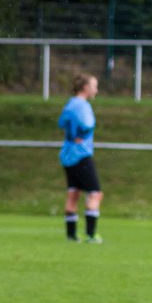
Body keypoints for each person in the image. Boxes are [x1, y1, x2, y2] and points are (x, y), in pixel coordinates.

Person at [59, 73, 103, 243]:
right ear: (85, 87)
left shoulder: (70, 103)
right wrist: (80, 135)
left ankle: (71, 235)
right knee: (95, 193)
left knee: (73, 193)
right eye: (94, 86)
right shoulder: (82, 105)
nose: (96, 90)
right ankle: (91, 234)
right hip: (81, 154)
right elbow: (87, 125)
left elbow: (62, 122)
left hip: (67, 154)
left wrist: (71, 136)